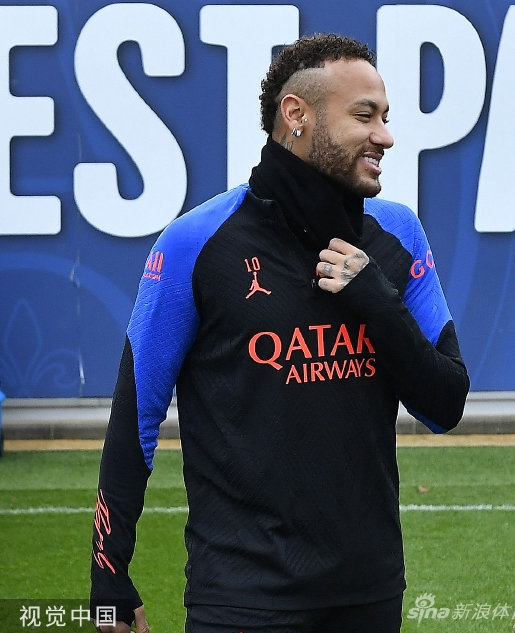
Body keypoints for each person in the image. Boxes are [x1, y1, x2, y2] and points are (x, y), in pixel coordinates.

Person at [90, 33, 469, 633]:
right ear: (296, 114)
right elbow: (135, 413)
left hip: (370, 596)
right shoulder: (196, 243)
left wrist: (376, 301)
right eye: (364, 116)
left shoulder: (398, 235)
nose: (386, 136)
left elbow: (446, 403)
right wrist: (108, 571)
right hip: (241, 600)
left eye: (386, 117)